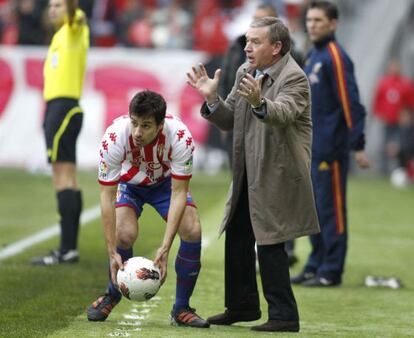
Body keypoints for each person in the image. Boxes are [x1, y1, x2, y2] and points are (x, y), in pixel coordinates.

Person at [187, 17, 320, 332]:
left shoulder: (295, 77)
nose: (246, 47)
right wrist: (211, 99)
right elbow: (230, 117)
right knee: (238, 235)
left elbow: (283, 113)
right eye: (247, 40)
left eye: (255, 42)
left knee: (270, 242)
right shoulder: (246, 72)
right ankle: (242, 306)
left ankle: (285, 315)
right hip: (250, 169)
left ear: (276, 47)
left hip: (279, 171)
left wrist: (260, 102)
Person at [86, 90, 209, 329]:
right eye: (134, 123)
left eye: (146, 126)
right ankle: (112, 294)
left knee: (192, 229)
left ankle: (181, 308)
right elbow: (106, 196)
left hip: (165, 186)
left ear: (161, 125)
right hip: (129, 185)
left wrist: (165, 247)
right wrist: (111, 250)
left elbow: (179, 192)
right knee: (124, 234)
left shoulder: (180, 136)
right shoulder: (113, 137)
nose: (137, 132)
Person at [291, 0, 370, 287]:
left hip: (330, 149)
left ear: (333, 24)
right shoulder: (314, 55)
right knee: (312, 210)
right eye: (310, 20)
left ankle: (331, 270)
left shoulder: (336, 57)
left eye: (318, 21)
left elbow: (351, 104)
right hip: (310, 148)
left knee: (330, 210)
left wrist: (357, 144)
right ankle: (315, 263)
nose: (312, 25)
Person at [31, 0, 89, 266]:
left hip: (62, 109)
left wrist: (73, 11)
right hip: (61, 109)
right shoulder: (59, 36)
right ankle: (70, 248)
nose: (53, 9)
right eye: (51, 5)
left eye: (59, 5)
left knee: (62, 177)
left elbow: (78, 17)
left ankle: (66, 249)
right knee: (69, 177)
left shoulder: (74, 29)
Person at [372, 58, 414, 175]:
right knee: (385, 145)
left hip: (400, 123)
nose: (394, 69)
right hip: (387, 121)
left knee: (401, 146)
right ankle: (383, 170)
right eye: (392, 66)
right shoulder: (383, 83)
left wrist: (407, 117)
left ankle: (400, 170)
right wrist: (379, 114)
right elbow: (377, 101)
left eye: (396, 66)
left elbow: (410, 102)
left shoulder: (405, 83)